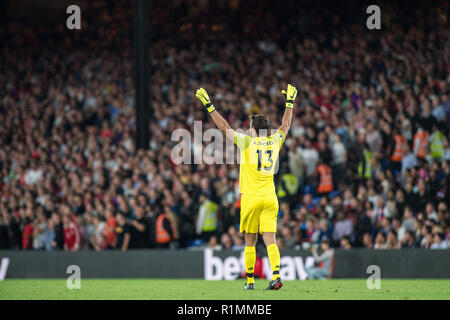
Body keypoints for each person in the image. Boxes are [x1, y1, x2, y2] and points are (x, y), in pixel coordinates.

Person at [195, 84, 298, 290]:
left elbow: (224, 128)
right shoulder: (274, 141)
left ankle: (250, 281)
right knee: (271, 240)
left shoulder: (247, 142)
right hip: (270, 197)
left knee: (250, 241)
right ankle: (276, 276)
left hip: (251, 198)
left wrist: (209, 105)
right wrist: (290, 103)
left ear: (252, 129)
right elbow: (285, 125)